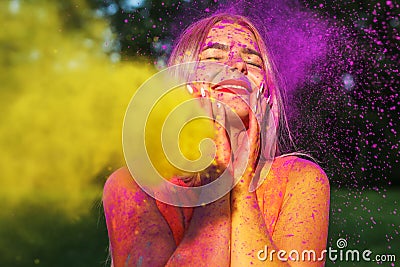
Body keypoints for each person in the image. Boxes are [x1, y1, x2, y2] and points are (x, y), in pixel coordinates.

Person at [103, 13, 330, 267]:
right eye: (213, 58)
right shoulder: (135, 186)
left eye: (252, 61)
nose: (236, 66)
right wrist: (215, 184)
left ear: (265, 89)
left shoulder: (300, 179)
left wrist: (241, 187)